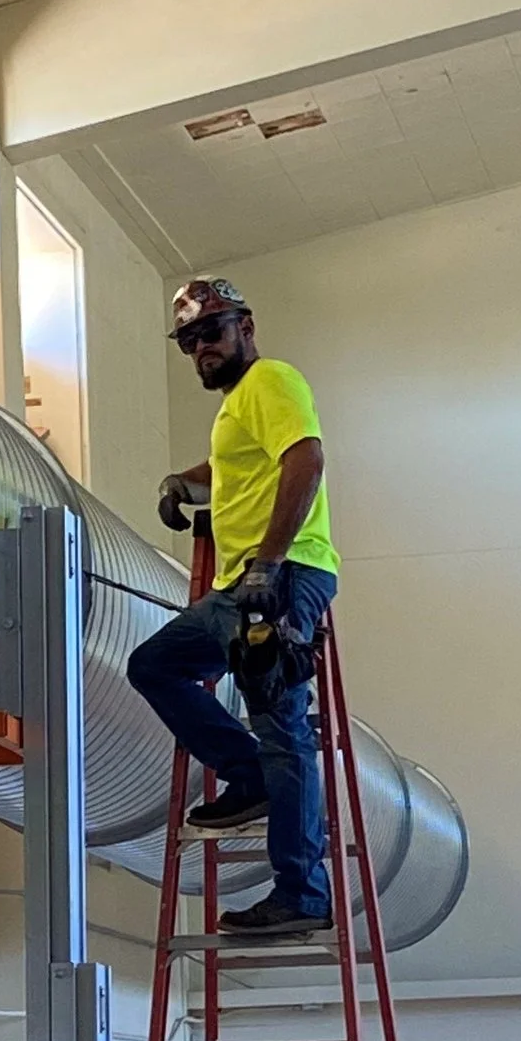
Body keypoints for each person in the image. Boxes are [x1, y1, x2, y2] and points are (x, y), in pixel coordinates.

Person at [129, 276, 340, 937]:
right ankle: (245, 776)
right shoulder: (238, 406)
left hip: (280, 576)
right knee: (154, 665)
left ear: (245, 327)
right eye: (190, 341)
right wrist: (182, 481)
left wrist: (270, 560)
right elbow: (237, 467)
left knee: (281, 720)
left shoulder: (272, 380)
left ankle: (303, 892)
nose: (201, 351)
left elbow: (304, 457)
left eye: (211, 334)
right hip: (234, 589)